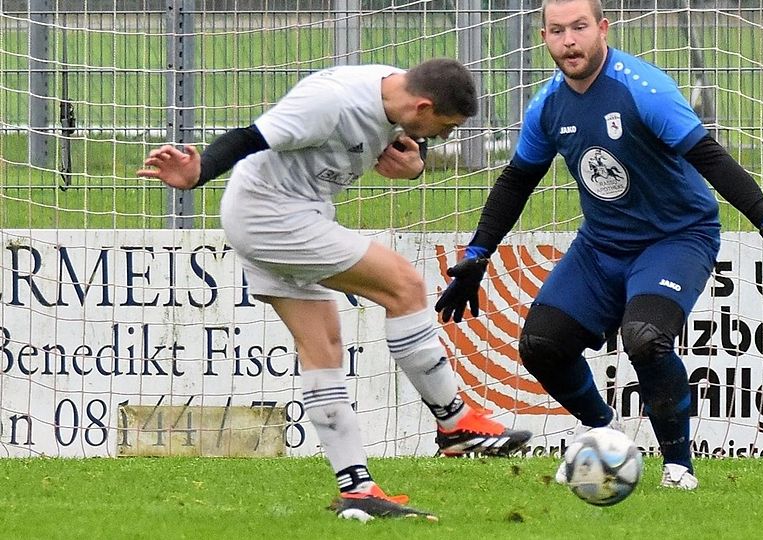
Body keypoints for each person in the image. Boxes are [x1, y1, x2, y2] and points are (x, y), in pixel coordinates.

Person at [435, 0, 763, 491]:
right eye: (557, 31)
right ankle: (604, 436)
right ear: (543, 37)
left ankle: (679, 468)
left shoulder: (644, 88)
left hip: (677, 237)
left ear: (603, 28)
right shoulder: (548, 105)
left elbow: (709, 156)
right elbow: (516, 181)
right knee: (541, 344)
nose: (569, 41)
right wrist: (478, 254)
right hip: (601, 245)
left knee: (644, 336)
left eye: (579, 28)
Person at [137, 58, 532, 521]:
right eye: (443, 127)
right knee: (403, 285)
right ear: (422, 104)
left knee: (322, 344)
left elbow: (407, 141)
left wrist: (416, 164)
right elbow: (250, 137)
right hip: (270, 215)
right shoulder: (330, 102)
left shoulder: (398, 94)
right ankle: (455, 422)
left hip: (290, 213)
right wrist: (196, 173)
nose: (442, 137)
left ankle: (356, 490)